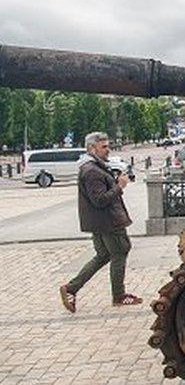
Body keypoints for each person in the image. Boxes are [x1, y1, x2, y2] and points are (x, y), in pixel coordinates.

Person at [59, 132, 141, 312]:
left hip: (101, 221)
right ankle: (119, 296)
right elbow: (100, 200)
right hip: (108, 221)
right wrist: (119, 186)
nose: (108, 150)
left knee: (103, 255)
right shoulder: (92, 171)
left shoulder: (94, 167)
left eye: (108, 146)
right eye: (103, 147)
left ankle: (71, 288)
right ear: (91, 148)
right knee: (120, 251)